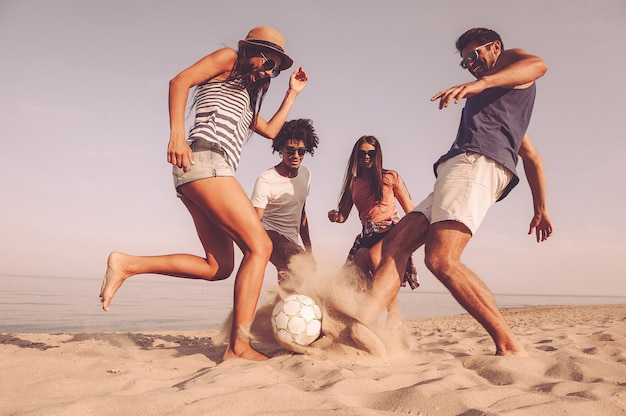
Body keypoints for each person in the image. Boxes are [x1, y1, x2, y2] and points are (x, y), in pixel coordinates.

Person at [99, 26, 308, 361]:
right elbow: (179, 81)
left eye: (276, 68)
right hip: (205, 161)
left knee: (219, 267)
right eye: (268, 60)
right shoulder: (227, 60)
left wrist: (293, 92)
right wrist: (176, 135)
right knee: (261, 246)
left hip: (200, 173)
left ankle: (128, 264)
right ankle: (239, 347)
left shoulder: (243, 96)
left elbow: (270, 131)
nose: (269, 70)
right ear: (249, 50)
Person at [364, 28, 552, 356]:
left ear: (495, 48)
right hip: (461, 167)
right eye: (466, 62)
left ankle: (508, 345)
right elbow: (532, 156)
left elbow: (538, 64)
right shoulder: (504, 107)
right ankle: (362, 324)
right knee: (397, 243)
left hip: (475, 162)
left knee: (441, 258)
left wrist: (480, 83)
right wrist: (541, 208)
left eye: (476, 54)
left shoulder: (508, 69)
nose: (472, 63)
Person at [328, 135, 419, 328]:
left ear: (378, 155)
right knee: (358, 264)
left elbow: (409, 206)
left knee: (375, 258)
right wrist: (335, 216)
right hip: (367, 233)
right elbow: (343, 215)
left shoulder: (390, 177)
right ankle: (368, 312)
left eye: (371, 153)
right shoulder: (353, 183)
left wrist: (424, 225)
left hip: (390, 229)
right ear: (356, 156)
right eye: (362, 154)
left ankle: (393, 312)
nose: (366, 157)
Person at [250, 118, 319, 292]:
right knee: (300, 262)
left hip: (292, 239)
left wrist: (309, 250)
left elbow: (301, 213)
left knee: (293, 282)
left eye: (301, 151)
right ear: (280, 148)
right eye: (290, 150)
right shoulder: (266, 179)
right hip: (268, 234)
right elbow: (254, 220)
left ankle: (277, 310)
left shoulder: (306, 174)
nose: (296, 155)